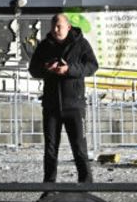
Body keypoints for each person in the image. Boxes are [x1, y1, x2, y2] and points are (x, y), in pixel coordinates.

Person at [28, 13, 100, 184]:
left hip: (74, 105)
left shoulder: (80, 44)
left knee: (79, 148)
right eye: (53, 26)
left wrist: (69, 70)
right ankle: (48, 188)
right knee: (51, 149)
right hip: (52, 106)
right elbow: (33, 70)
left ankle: (86, 186)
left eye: (59, 26)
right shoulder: (45, 45)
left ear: (68, 27)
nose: (55, 29)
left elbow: (92, 66)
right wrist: (47, 68)